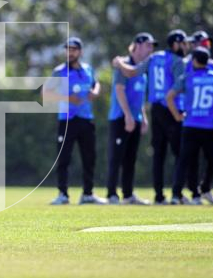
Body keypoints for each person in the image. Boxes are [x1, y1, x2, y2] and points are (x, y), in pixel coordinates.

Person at [112, 29, 187, 205]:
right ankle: (177, 194)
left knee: (158, 155)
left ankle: (159, 195)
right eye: (183, 43)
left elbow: (131, 72)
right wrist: (177, 112)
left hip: (156, 110)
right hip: (171, 108)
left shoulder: (154, 58)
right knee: (180, 153)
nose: (186, 46)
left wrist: (118, 63)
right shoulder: (178, 61)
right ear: (175, 44)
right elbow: (178, 88)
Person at [167, 47, 213, 206]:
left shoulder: (187, 77)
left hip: (191, 125)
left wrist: (177, 116)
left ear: (194, 60)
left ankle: (175, 195)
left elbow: (170, 97)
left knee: (184, 161)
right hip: (211, 126)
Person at [45, 37, 105, 205]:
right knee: (63, 158)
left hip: (86, 119)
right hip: (67, 120)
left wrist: (96, 91)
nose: (70, 53)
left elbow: (96, 83)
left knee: (89, 157)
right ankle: (63, 194)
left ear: (80, 52)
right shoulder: (59, 71)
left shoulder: (88, 69)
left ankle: (88, 194)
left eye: (73, 49)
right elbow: (45, 93)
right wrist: (68, 98)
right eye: (68, 49)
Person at [106, 33, 156, 205]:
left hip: (135, 118)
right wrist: (127, 115)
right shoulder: (123, 65)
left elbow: (140, 97)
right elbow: (119, 91)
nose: (151, 49)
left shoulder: (143, 70)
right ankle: (112, 194)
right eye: (148, 45)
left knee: (131, 158)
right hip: (121, 118)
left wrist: (143, 117)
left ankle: (128, 195)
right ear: (138, 45)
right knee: (116, 157)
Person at [184, 30, 213, 204]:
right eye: (202, 43)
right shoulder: (186, 64)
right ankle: (193, 193)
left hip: (211, 119)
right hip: (190, 118)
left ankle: (205, 187)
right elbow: (175, 89)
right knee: (190, 158)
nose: (205, 47)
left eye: (207, 44)